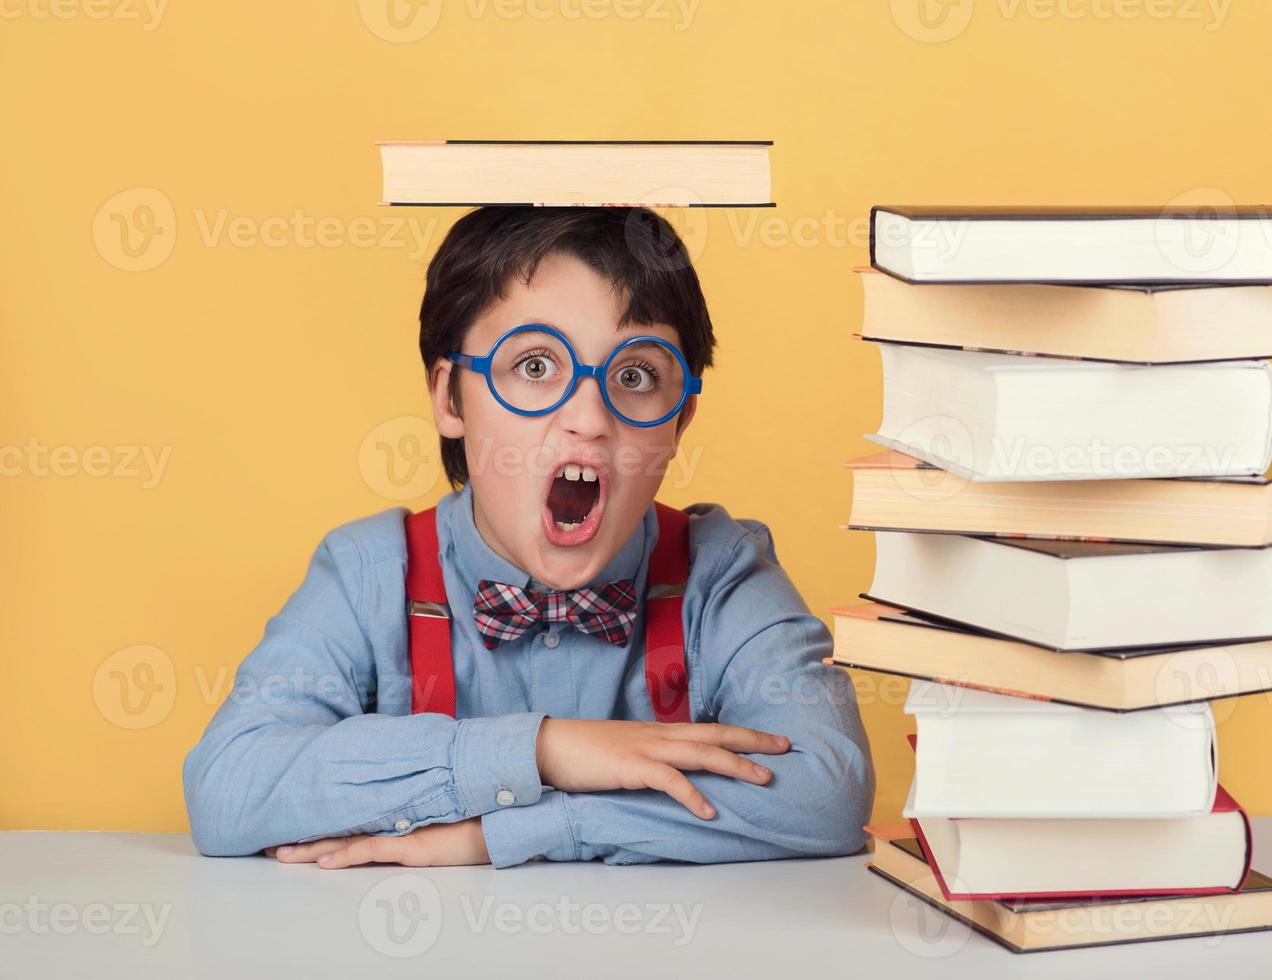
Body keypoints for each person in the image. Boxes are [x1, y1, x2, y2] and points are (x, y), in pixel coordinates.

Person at [182, 206, 874, 869]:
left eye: (635, 376)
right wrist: (545, 750)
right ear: (450, 398)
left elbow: (826, 796)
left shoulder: (722, 575)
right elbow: (229, 787)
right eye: (536, 366)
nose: (588, 419)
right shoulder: (368, 574)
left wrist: (514, 831)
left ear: (679, 424)